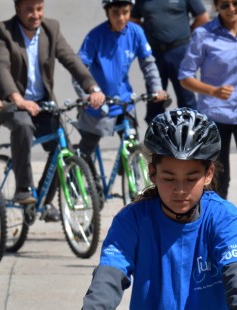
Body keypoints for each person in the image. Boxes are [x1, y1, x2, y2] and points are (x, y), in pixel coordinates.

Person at [69, 108, 237, 310]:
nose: (180, 190)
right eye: (169, 177)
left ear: (209, 174)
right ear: (152, 173)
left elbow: (234, 267)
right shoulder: (131, 221)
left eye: (192, 178)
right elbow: (110, 274)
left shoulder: (223, 217)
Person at [0, 0, 104, 221]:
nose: (35, 15)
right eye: (29, 10)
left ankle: (43, 200)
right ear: (17, 10)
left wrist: (92, 87)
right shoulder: (3, 31)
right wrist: (17, 99)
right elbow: (1, 67)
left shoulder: (51, 28)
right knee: (22, 125)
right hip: (12, 102)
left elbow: (71, 60)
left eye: (39, 9)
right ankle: (23, 189)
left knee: (62, 149)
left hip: (43, 104)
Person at [73, 0, 167, 171]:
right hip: (97, 103)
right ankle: (86, 187)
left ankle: (132, 188)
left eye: (125, 12)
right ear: (107, 13)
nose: (122, 18)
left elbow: (148, 64)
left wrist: (157, 88)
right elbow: (79, 71)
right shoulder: (95, 36)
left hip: (123, 101)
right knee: (85, 151)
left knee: (133, 150)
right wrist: (86, 96)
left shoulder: (136, 32)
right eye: (116, 13)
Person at [179, 0, 237, 200]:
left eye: (235, 3)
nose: (231, 9)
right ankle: (218, 224)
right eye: (224, 5)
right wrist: (214, 91)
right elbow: (185, 76)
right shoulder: (203, 35)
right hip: (216, 113)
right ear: (216, 7)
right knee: (219, 177)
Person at [131, 0, 209, 124]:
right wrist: (144, 35)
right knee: (155, 98)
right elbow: (133, 19)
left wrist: (188, 33)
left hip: (180, 51)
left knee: (186, 98)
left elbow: (203, 17)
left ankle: (189, 136)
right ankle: (157, 137)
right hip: (154, 53)